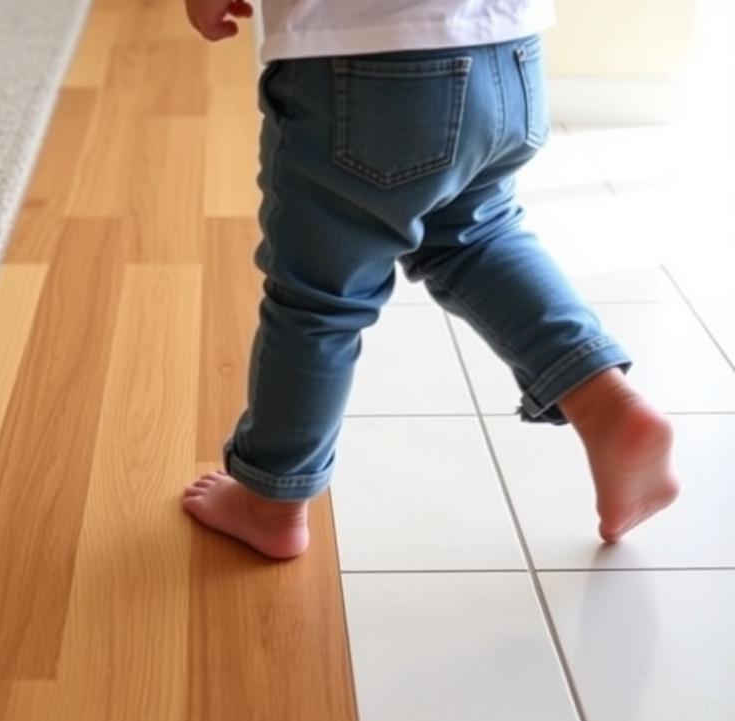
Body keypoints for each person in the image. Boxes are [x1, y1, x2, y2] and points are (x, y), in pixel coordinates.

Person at [182, 0, 680, 559]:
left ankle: (270, 502)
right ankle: (604, 402)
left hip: (364, 65)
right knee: (477, 237)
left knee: (321, 298)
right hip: (510, 54)